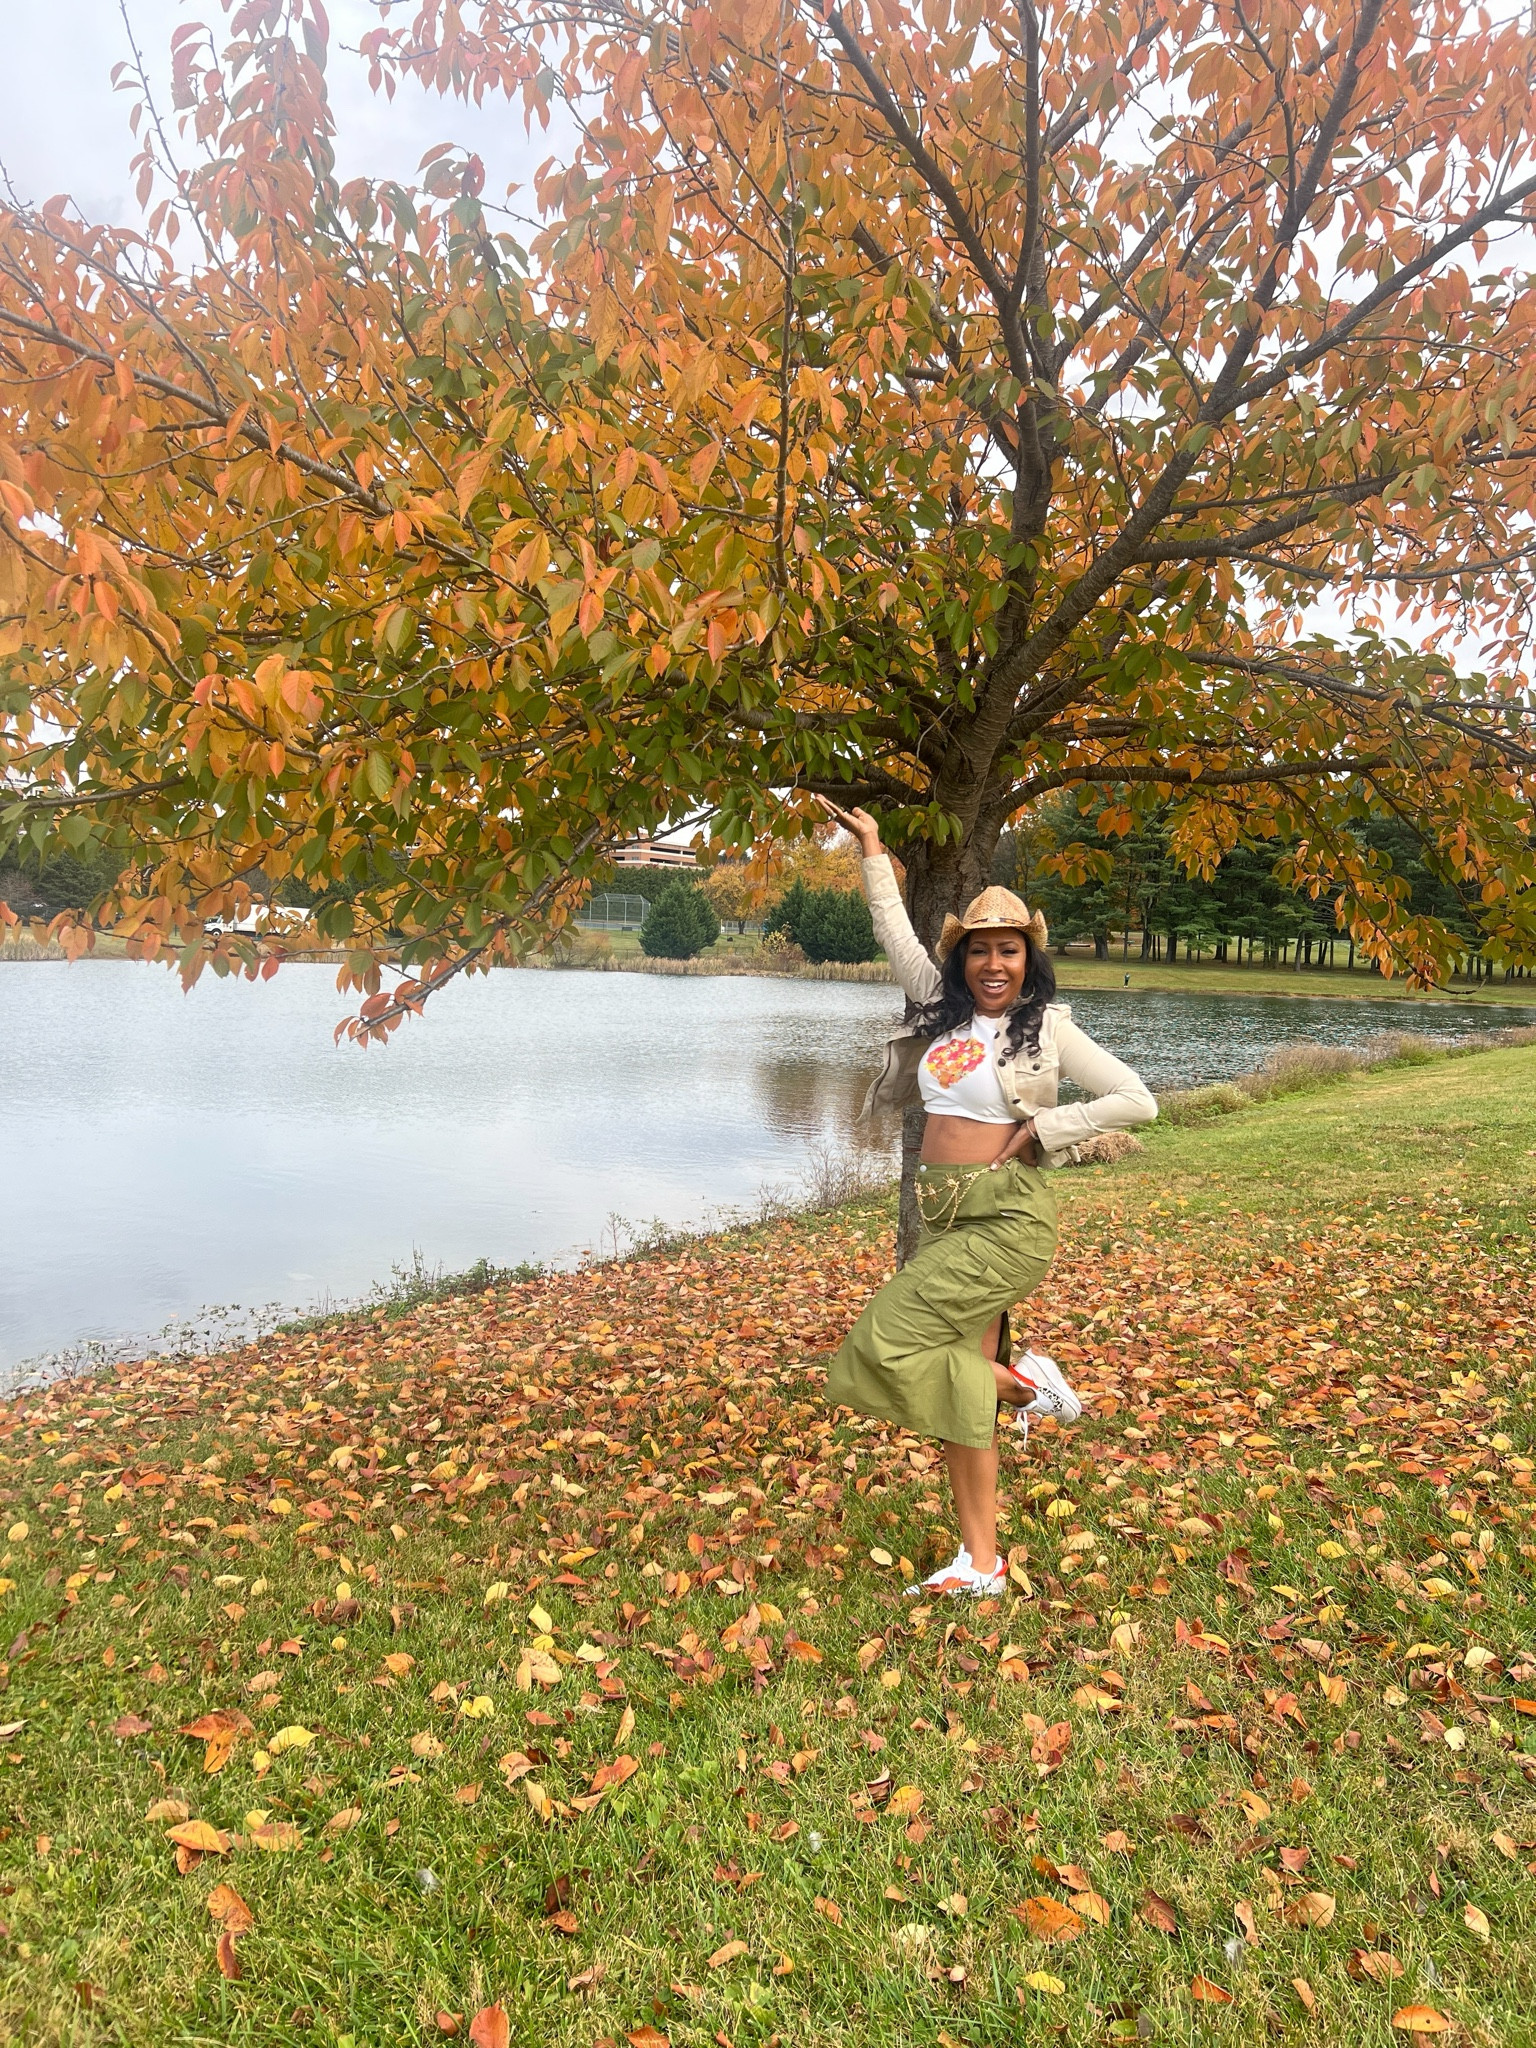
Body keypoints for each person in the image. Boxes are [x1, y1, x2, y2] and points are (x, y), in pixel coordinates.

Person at [816, 797, 1158, 1597]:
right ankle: (983, 1562)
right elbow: (893, 931)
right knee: (955, 1390)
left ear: (1027, 957)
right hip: (942, 1216)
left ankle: (1033, 1386)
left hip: (1004, 1216)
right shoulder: (942, 1008)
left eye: (1008, 950)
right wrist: (871, 847)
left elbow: (1138, 1098)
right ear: (962, 959)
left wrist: (1045, 1128)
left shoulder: (1048, 1028)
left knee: (883, 1341)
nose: (993, 964)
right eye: (980, 952)